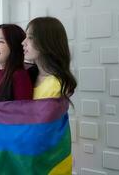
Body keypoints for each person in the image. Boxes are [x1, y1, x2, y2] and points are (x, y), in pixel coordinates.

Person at [22, 16, 77, 174]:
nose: (23, 42)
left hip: (49, 162)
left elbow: (41, 128)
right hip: (28, 158)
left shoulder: (58, 84)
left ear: (47, 42)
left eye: (30, 37)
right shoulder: (27, 77)